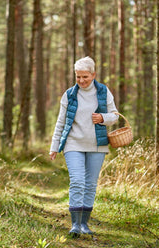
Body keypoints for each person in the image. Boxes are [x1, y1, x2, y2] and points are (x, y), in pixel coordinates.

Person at [49, 56, 118, 237]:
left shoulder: (103, 92)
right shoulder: (69, 94)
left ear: (93, 74)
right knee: (78, 181)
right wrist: (54, 146)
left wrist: (103, 118)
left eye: (85, 77)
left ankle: (84, 225)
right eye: (78, 77)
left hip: (97, 145)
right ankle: (75, 225)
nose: (81, 81)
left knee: (90, 185)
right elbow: (60, 122)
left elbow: (115, 116)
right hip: (73, 144)